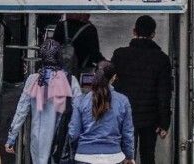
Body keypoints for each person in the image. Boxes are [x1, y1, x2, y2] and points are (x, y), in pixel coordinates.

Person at [5, 39, 82, 164]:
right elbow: (79, 112)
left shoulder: (33, 80)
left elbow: (21, 110)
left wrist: (11, 137)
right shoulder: (71, 81)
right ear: (59, 57)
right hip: (61, 141)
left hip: (38, 142)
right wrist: (75, 136)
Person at [111, 15, 172, 164]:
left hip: (124, 116)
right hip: (149, 119)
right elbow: (164, 94)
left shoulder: (119, 55)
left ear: (134, 31)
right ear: (153, 35)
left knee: (125, 156)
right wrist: (164, 123)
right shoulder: (161, 59)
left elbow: (111, 85)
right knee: (148, 155)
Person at [69, 61, 136, 164]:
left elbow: (74, 134)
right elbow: (127, 134)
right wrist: (129, 156)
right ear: (113, 78)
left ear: (94, 75)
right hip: (114, 157)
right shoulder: (123, 101)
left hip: (84, 157)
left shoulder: (80, 100)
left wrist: (76, 152)